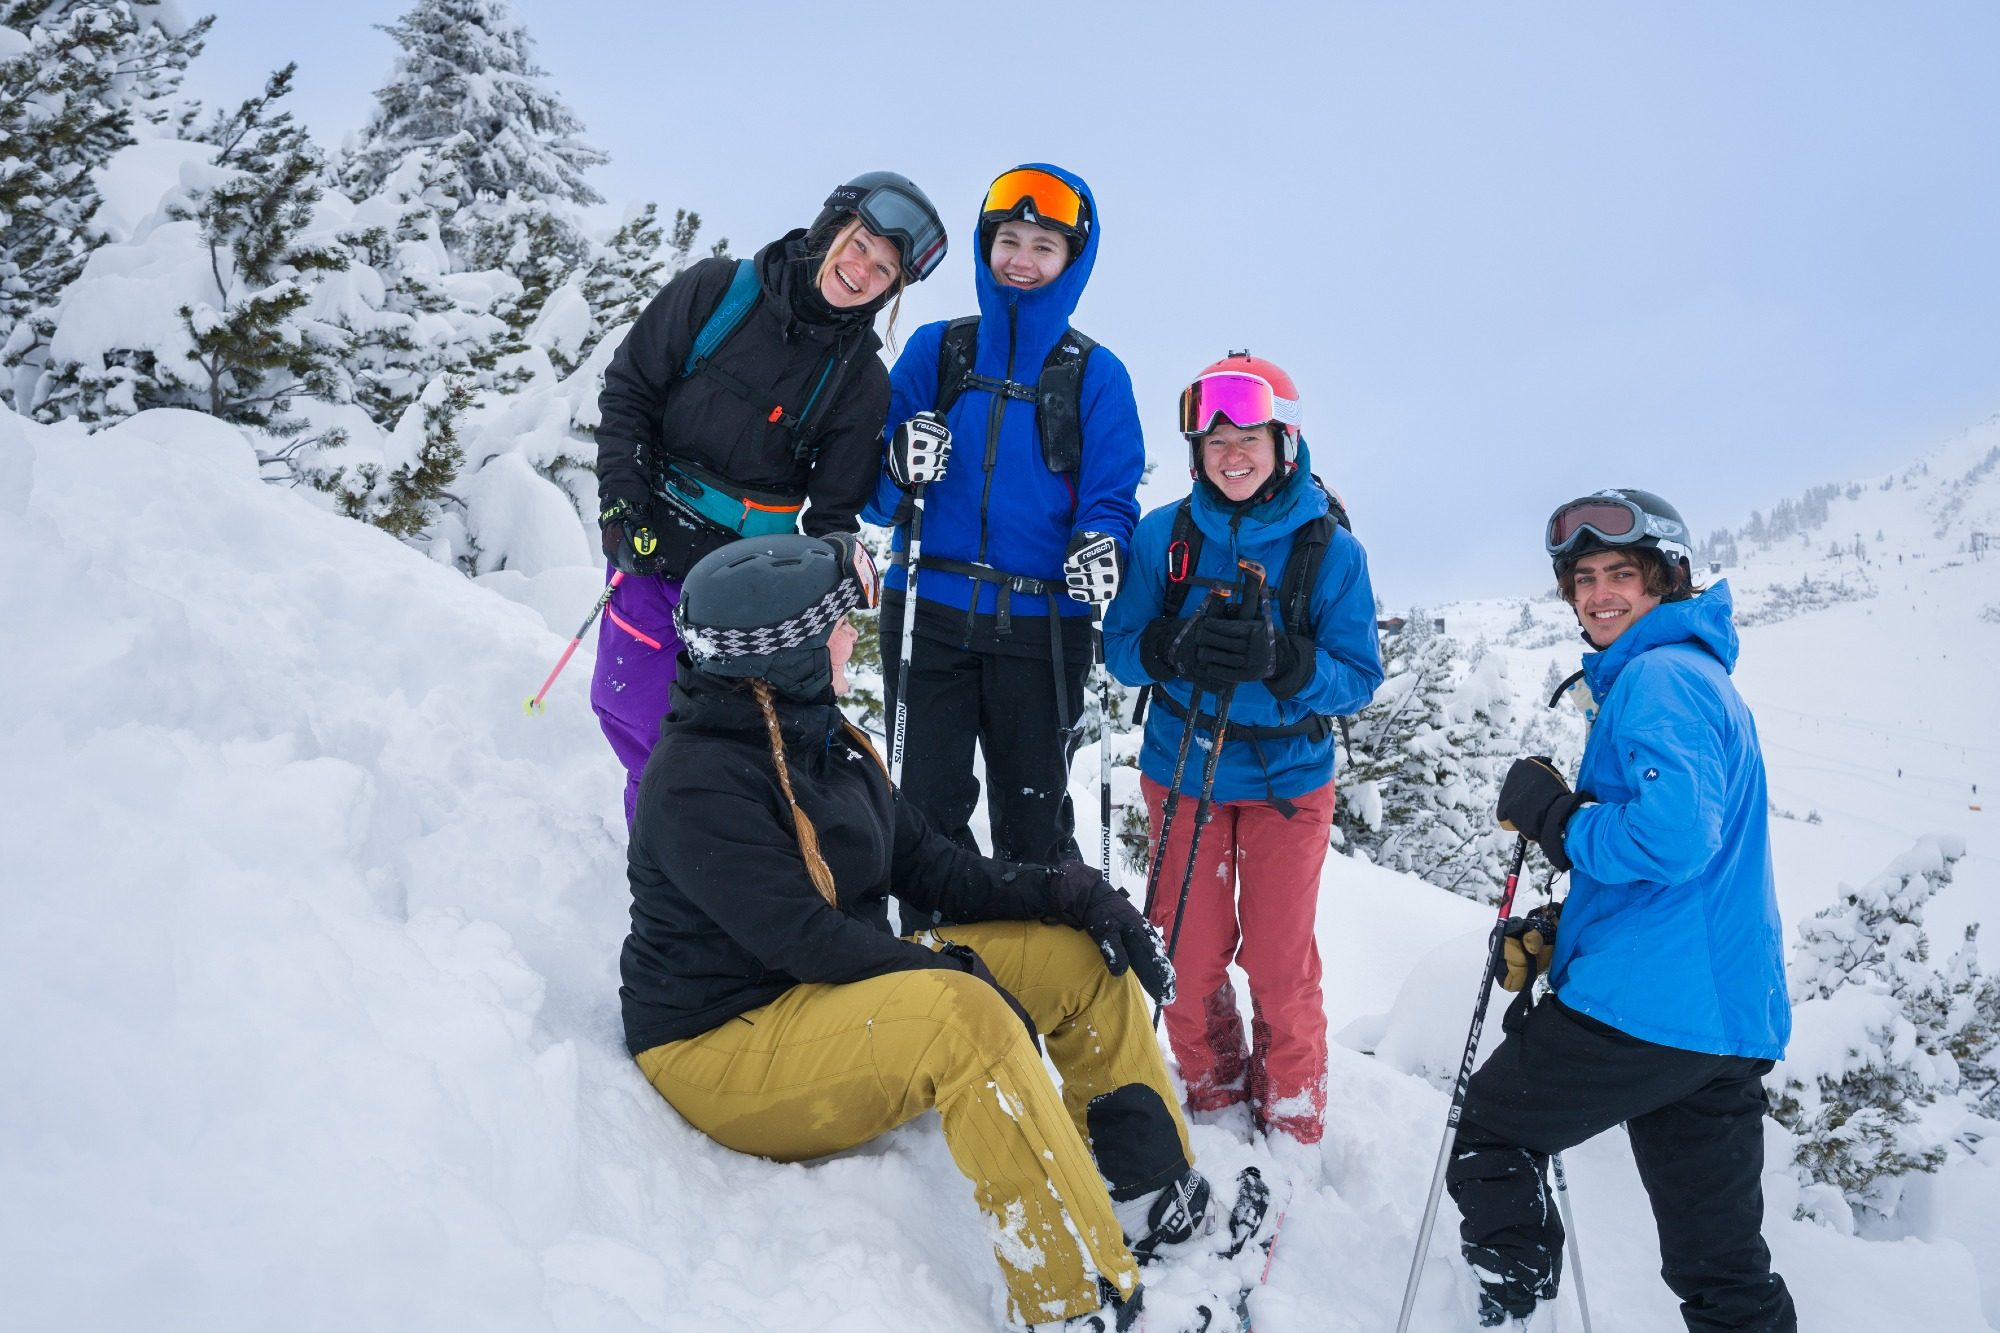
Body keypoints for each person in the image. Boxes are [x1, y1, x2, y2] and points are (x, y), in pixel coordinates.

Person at [622, 533, 1257, 1332]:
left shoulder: (824, 740)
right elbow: (804, 940)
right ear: (785, 656)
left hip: (819, 994)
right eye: (837, 628)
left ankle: (1147, 1193)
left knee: (1075, 957)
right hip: (719, 1041)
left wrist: (1068, 890)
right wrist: (957, 977)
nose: (854, 636)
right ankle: (1078, 1301)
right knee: (968, 1021)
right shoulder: (696, 781)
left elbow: (933, 866)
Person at [1447, 488, 1796, 1330]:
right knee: (1722, 1271)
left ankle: (1511, 1309)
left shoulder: (1657, 677)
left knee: (1493, 1135)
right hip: (1720, 1027)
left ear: (1666, 581)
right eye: (1586, 577)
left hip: (1648, 1012)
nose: (1601, 592)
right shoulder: (1697, 673)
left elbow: (1672, 841)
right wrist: (1567, 930)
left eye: (1622, 575)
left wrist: (1558, 820)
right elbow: (1693, 878)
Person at [590, 170, 946, 823]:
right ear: (830, 228)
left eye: (886, 269)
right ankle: (663, 876)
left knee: (723, 754)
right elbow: (630, 388)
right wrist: (621, 497)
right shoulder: (718, 291)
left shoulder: (861, 380)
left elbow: (835, 514)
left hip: (749, 584)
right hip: (656, 542)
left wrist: (829, 605)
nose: (864, 270)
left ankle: (698, 874)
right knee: (636, 718)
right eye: (862, 244)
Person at [1104, 354, 1383, 1149]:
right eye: (1214, 436)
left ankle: (1293, 1117)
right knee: (1185, 961)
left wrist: (1287, 662)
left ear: (1284, 443)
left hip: (1287, 782)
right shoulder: (1165, 536)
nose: (1231, 452)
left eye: (1248, 435)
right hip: (1184, 770)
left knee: (1278, 962)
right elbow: (1119, 649)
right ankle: (1215, 1093)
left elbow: (1359, 677)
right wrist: (1173, 646)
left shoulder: (1330, 552)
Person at [863, 164, 1143, 866]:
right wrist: (899, 463)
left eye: (1044, 246)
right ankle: (936, 955)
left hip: (1042, 624)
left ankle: (1038, 962)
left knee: (1034, 818)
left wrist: (1102, 545)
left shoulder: (1095, 374)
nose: (1022, 260)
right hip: (928, 609)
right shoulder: (939, 348)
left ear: (1073, 261)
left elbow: (1112, 496)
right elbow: (874, 492)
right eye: (1008, 239)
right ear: (986, 245)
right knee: (924, 812)